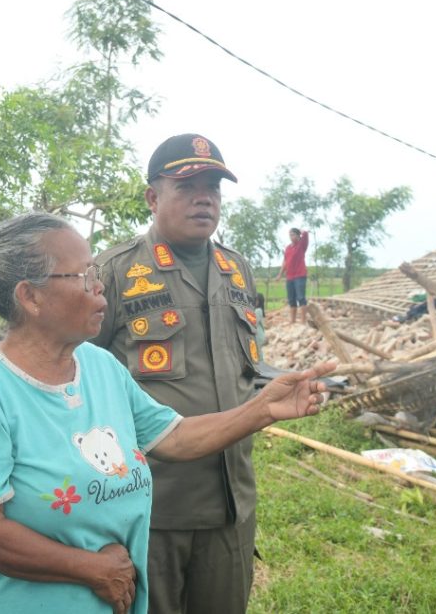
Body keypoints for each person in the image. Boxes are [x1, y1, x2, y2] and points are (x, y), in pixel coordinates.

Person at [0, 212, 335, 614]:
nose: (99, 286)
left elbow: (173, 436)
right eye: (83, 276)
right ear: (30, 296)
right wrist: (90, 568)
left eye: (95, 272)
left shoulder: (99, 366)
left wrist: (263, 409)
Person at [92, 133, 268, 614]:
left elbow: (246, 369)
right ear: (152, 197)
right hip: (150, 508)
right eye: (188, 186)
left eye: (213, 186)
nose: (205, 198)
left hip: (232, 504)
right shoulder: (115, 272)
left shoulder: (238, 271)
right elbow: (76, 379)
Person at [277, 227, 310, 324]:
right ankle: (293, 321)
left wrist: (301, 230)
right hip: (289, 276)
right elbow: (285, 262)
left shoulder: (301, 245)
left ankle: (303, 321)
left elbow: (305, 233)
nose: (291, 237)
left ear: (298, 235)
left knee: (301, 298)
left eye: (293, 234)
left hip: (300, 275)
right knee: (291, 299)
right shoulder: (287, 248)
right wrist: (280, 274)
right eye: (290, 235)